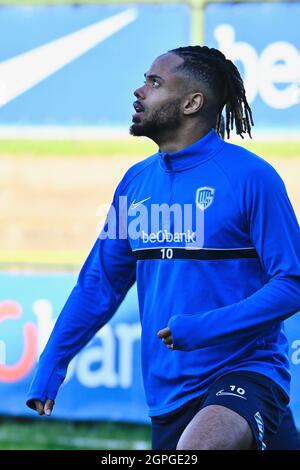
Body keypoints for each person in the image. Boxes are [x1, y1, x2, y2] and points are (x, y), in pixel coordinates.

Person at [26, 46, 300, 450]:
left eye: (154, 82)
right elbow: (99, 285)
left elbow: (292, 282)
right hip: (168, 395)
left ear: (192, 103)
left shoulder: (252, 178)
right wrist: (51, 362)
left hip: (246, 372)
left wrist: (205, 326)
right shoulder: (135, 183)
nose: (139, 91)